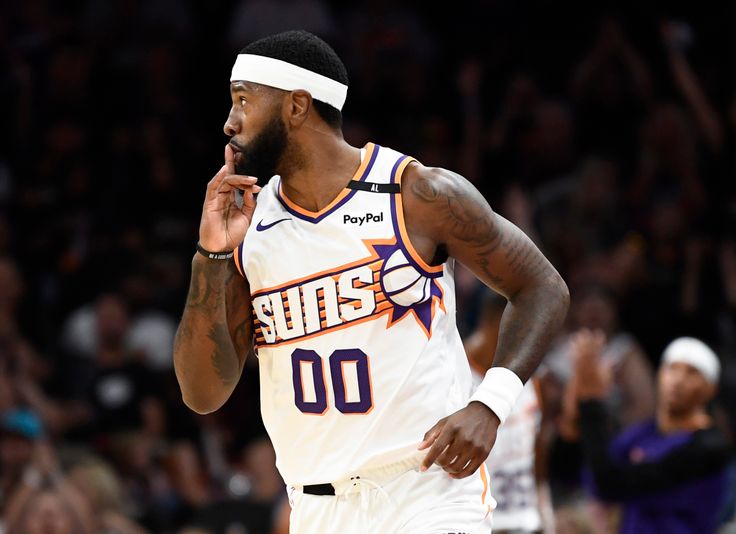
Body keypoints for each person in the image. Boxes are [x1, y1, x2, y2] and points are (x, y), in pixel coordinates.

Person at [173, 30, 569, 533]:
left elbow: (542, 289)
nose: (230, 122)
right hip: (316, 508)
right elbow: (202, 394)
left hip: (426, 492)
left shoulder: (414, 194)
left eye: (244, 100)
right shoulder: (249, 226)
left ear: (296, 106)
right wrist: (211, 254)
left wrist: (490, 404)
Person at [572, 332, 732, 534]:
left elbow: (609, 483)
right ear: (659, 374)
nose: (679, 380)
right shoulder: (642, 433)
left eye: (692, 373)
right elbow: (596, 478)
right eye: (672, 368)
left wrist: (591, 401)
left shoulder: (709, 448)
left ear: (710, 389)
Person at [464, 290, 553, 534]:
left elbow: (539, 447)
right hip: (477, 524)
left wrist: (546, 514)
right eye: (528, 326)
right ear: (498, 320)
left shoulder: (533, 376)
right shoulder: (455, 374)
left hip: (527, 521)